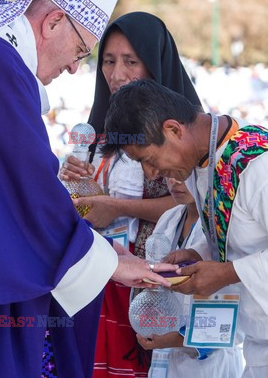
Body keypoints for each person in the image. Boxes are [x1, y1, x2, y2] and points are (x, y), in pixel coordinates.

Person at [0, 0, 179, 378]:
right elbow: (27, 192)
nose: (76, 67)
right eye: (80, 50)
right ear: (52, 21)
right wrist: (112, 263)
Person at [59, 12, 202, 377]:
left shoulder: (186, 130)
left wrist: (113, 206)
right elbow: (97, 212)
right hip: (102, 281)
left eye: (130, 61)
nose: (117, 74)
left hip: (156, 286)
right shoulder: (96, 132)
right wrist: (86, 193)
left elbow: (192, 201)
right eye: (108, 61)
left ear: (155, 66)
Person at [102, 79, 268, 378]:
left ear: (174, 130)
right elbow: (237, 231)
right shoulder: (204, 162)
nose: (151, 173)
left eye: (149, 160)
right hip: (258, 345)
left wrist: (227, 273)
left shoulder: (257, 165)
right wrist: (198, 253)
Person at [137, 178, 244, 378]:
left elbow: (232, 315)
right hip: (166, 355)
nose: (174, 181)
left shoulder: (224, 224)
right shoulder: (169, 219)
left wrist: (178, 339)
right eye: (168, 173)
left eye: (182, 173)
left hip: (212, 362)